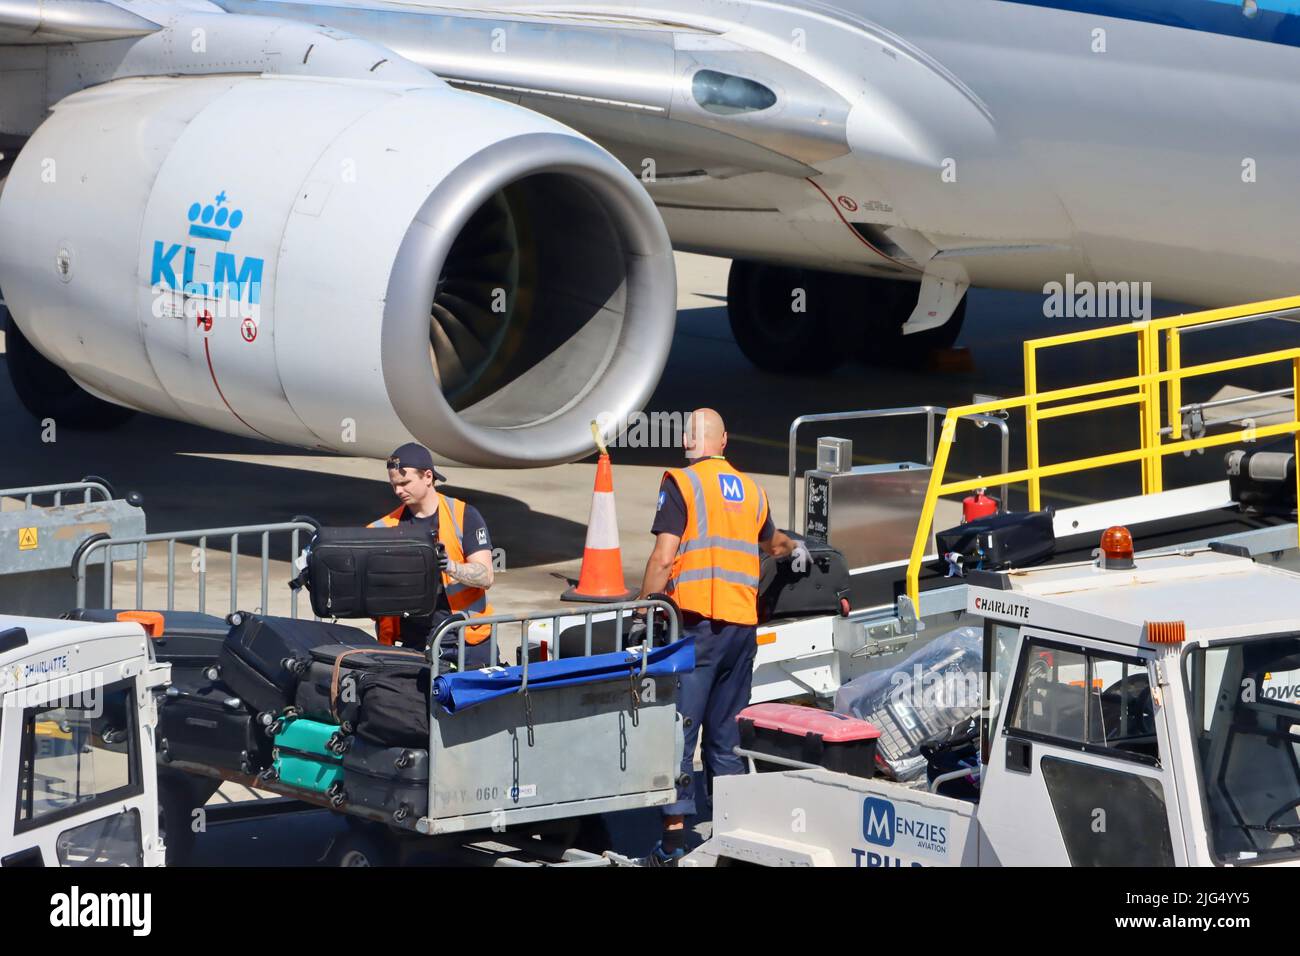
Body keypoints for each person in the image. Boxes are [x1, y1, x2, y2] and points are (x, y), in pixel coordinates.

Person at [634, 408, 808, 865]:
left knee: (678, 731)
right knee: (725, 733)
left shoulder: (682, 482)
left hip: (698, 627)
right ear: (725, 440)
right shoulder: (753, 490)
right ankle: (728, 829)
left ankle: (671, 843)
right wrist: (798, 549)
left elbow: (663, 556)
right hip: (741, 627)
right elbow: (776, 545)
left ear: (690, 443)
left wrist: (643, 608)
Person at [369, 442, 498, 669]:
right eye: (394, 485)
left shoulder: (463, 515)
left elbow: (486, 576)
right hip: (413, 643)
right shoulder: (385, 527)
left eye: (405, 483)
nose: (398, 491)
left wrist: (449, 566)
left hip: (464, 641)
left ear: (428, 476)